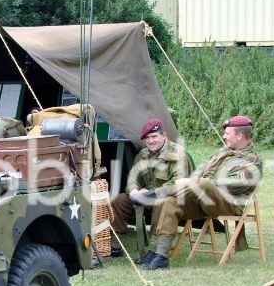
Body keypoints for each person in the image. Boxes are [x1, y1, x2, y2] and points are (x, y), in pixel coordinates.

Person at [142, 115, 263, 270]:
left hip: (227, 204)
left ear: (240, 135)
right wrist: (196, 183)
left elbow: (232, 186)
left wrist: (201, 184)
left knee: (203, 184)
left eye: (228, 133)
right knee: (168, 202)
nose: (224, 136)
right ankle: (159, 255)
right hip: (203, 200)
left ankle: (159, 192)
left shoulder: (253, 161)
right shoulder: (222, 153)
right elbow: (200, 172)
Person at [109, 118, 193, 263]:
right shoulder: (143, 155)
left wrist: (150, 192)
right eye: (147, 138)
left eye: (154, 136)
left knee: (163, 201)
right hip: (149, 199)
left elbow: (177, 184)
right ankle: (115, 246)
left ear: (164, 135)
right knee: (119, 200)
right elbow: (132, 178)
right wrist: (134, 190)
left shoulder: (178, 154)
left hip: (175, 201)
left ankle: (156, 252)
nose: (150, 141)